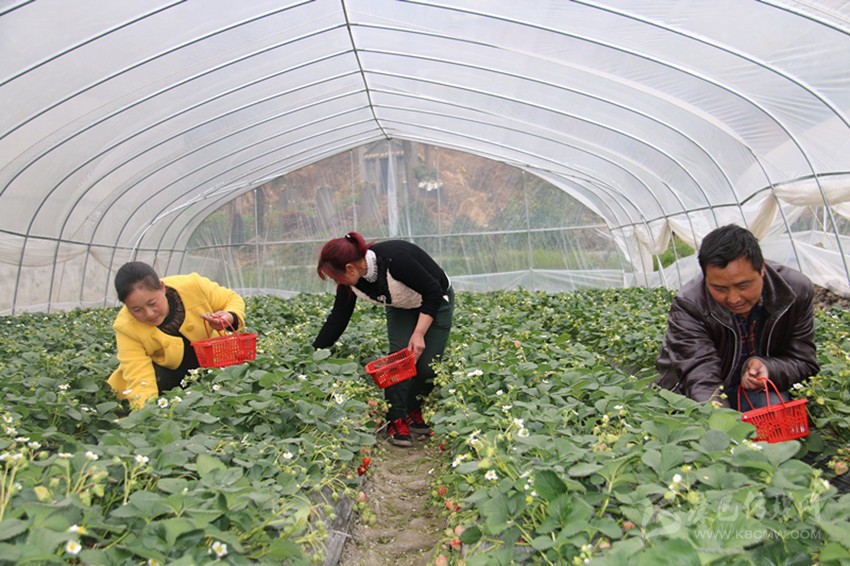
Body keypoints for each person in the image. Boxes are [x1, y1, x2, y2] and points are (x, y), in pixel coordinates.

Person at [655, 224, 819, 410]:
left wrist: (769, 368)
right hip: (698, 394)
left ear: (761, 269)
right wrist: (724, 423)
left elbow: (803, 361)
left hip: (750, 392)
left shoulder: (794, 291)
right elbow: (701, 379)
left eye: (743, 286)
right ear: (705, 277)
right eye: (720, 288)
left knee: (771, 403)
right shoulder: (690, 304)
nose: (734, 299)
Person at [313, 231, 454, 447]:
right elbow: (338, 319)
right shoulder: (349, 284)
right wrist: (314, 353)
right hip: (402, 305)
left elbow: (432, 292)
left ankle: (413, 408)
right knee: (399, 358)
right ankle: (396, 418)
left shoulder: (396, 260)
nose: (336, 282)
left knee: (428, 366)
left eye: (335, 277)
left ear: (350, 268)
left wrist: (418, 334)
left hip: (436, 300)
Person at [107, 261, 246, 410]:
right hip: (165, 377)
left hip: (210, 361)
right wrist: (147, 414)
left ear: (162, 287)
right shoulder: (125, 327)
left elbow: (231, 299)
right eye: (136, 310)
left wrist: (229, 317)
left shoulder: (193, 286)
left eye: (152, 303)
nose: (149, 313)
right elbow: (139, 377)